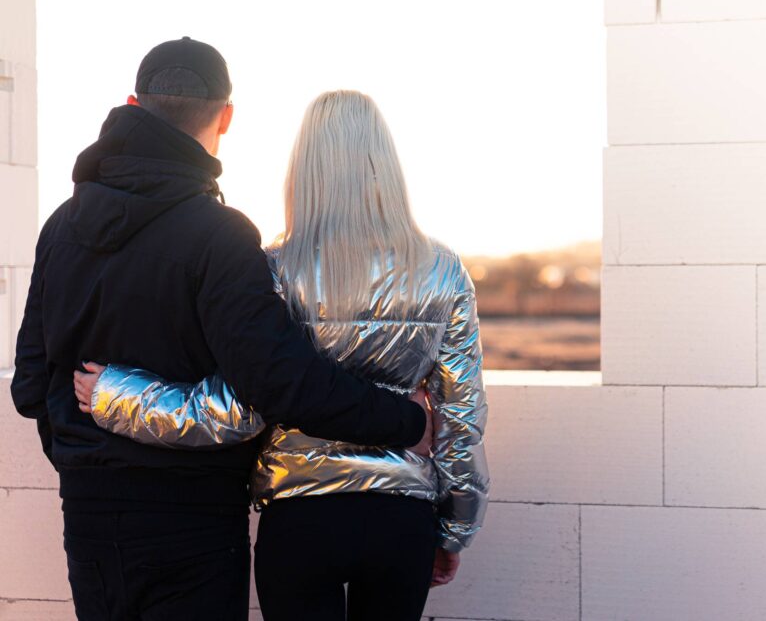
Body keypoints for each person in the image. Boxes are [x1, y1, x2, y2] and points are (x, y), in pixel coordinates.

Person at [11, 39, 430, 621]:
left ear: (133, 103)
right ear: (226, 116)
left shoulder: (61, 226)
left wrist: (86, 460)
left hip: (88, 519)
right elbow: (277, 381)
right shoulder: (222, 235)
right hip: (193, 523)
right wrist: (407, 420)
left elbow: (30, 385)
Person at [72, 89, 490, 621]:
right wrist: (455, 529)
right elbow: (461, 421)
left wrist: (116, 395)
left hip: (299, 525)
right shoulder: (443, 272)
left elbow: (236, 410)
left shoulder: (270, 270)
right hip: (401, 521)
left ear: (303, 169)